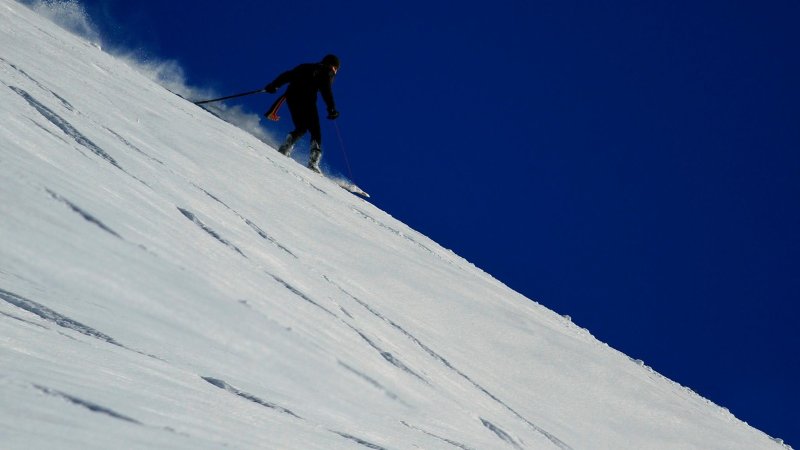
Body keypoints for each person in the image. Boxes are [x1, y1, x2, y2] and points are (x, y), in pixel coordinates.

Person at [264, 54, 340, 173]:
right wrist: (331, 108)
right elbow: (326, 89)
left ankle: (286, 147)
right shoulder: (327, 71)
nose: (335, 72)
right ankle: (313, 162)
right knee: (315, 129)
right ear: (333, 66)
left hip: (292, 96)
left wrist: (274, 85)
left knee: (302, 127)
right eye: (336, 69)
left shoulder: (306, 66)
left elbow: (288, 75)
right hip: (307, 98)